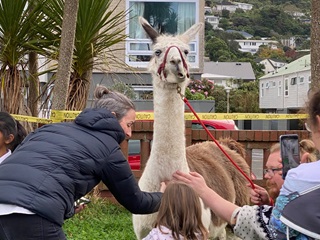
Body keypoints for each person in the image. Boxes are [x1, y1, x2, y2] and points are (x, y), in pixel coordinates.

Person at [0, 85, 163, 240]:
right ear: (113, 116)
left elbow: (34, 174)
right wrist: (167, 195)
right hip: (30, 215)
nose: (129, 133)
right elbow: (136, 202)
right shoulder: (107, 147)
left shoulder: (51, 128)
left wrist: (68, 208)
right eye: (129, 125)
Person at [173, 90, 320, 239]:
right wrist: (269, 203)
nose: (266, 175)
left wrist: (203, 190)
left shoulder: (303, 180)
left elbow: (267, 228)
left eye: (309, 126)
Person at [142, 182, 208, 240]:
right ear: (196, 209)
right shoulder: (200, 236)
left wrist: (161, 195)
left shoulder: (157, 236)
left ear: (164, 208)